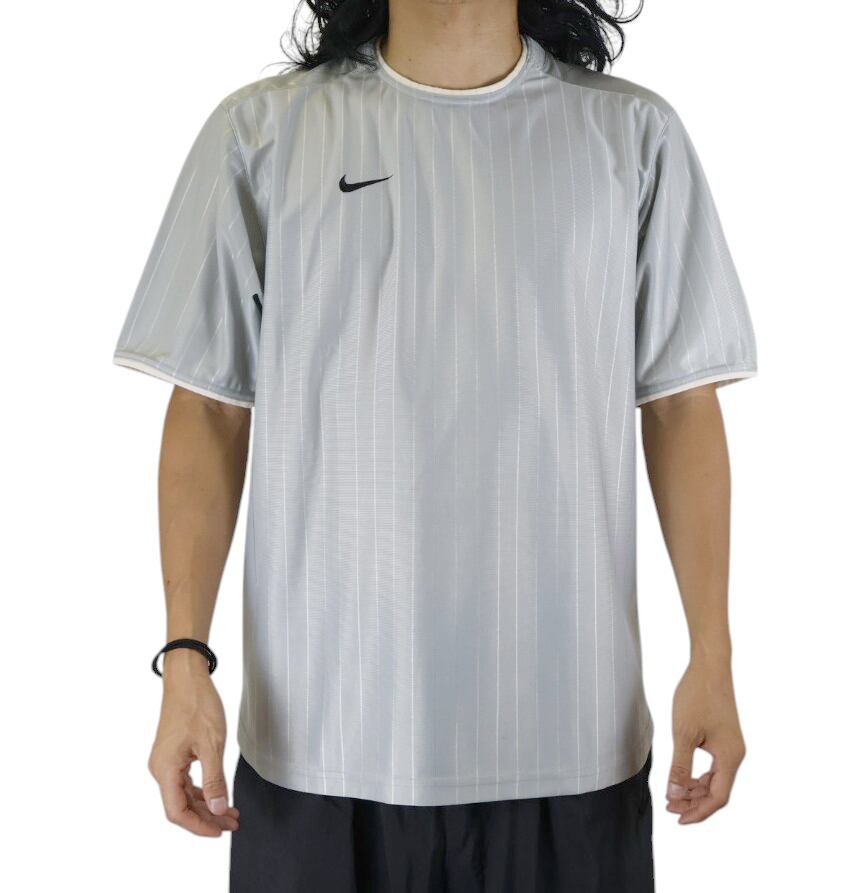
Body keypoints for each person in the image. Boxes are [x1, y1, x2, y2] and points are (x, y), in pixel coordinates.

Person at [112, 0, 757, 889]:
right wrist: (184, 659)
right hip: (321, 742)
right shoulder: (262, 133)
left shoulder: (631, 136)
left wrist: (712, 655)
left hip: (568, 738)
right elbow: (209, 409)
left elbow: (681, 405)